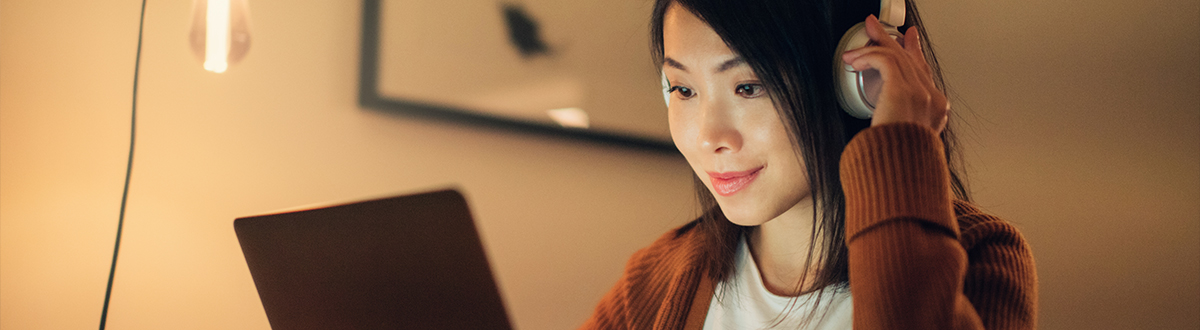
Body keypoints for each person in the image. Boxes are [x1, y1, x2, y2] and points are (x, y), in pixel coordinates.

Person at [581, 0, 1037, 329]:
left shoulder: (984, 258)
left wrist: (903, 144)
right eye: (683, 90)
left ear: (857, 80)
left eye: (749, 87)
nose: (708, 137)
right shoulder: (661, 276)